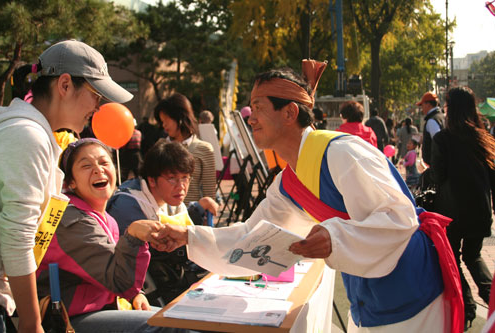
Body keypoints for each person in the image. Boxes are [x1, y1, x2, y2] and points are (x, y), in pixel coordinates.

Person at [154, 60, 463, 332]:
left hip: (411, 291)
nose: (251, 119)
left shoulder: (343, 152)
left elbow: (399, 219)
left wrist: (334, 237)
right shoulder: (289, 183)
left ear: (289, 112)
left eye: (259, 107)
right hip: (368, 292)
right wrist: (188, 237)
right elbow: (253, 237)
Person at [0, 39, 133, 332]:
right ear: (65, 85)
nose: (98, 107)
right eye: (96, 94)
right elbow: (17, 237)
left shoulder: (29, 131)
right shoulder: (27, 136)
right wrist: (32, 323)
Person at [36, 138, 182, 333]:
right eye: (86, 165)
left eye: (104, 163)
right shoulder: (71, 219)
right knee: (171, 327)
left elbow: (114, 273)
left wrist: (135, 295)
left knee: (183, 320)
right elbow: (119, 280)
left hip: (103, 306)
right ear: (71, 182)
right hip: (70, 319)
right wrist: (134, 235)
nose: (98, 170)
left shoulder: (102, 216)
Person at [107, 140, 218, 303]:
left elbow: (176, 221)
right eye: (172, 179)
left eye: (185, 178)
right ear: (152, 180)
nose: (181, 186)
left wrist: (198, 208)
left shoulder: (168, 196)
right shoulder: (127, 205)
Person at [430, 86, 495, 330]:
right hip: (480, 209)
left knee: (453, 258)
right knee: (474, 256)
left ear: (450, 108)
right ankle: (491, 301)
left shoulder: (442, 139)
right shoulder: (483, 136)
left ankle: (466, 306)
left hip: (452, 212)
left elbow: (438, 176)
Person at [155, 93, 216, 205]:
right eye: (161, 121)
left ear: (179, 117)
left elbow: (209, 194)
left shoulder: (204, 149)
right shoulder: (160, 147)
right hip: (162, 216)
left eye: (166, 120)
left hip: (192, 216)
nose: (163, 125)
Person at [417, 91, 444, 166]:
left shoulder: (432, 120)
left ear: (428, 104)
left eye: (422, 105)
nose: (422, 108)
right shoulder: (442, 117)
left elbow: (438, 141)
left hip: (435, 165)